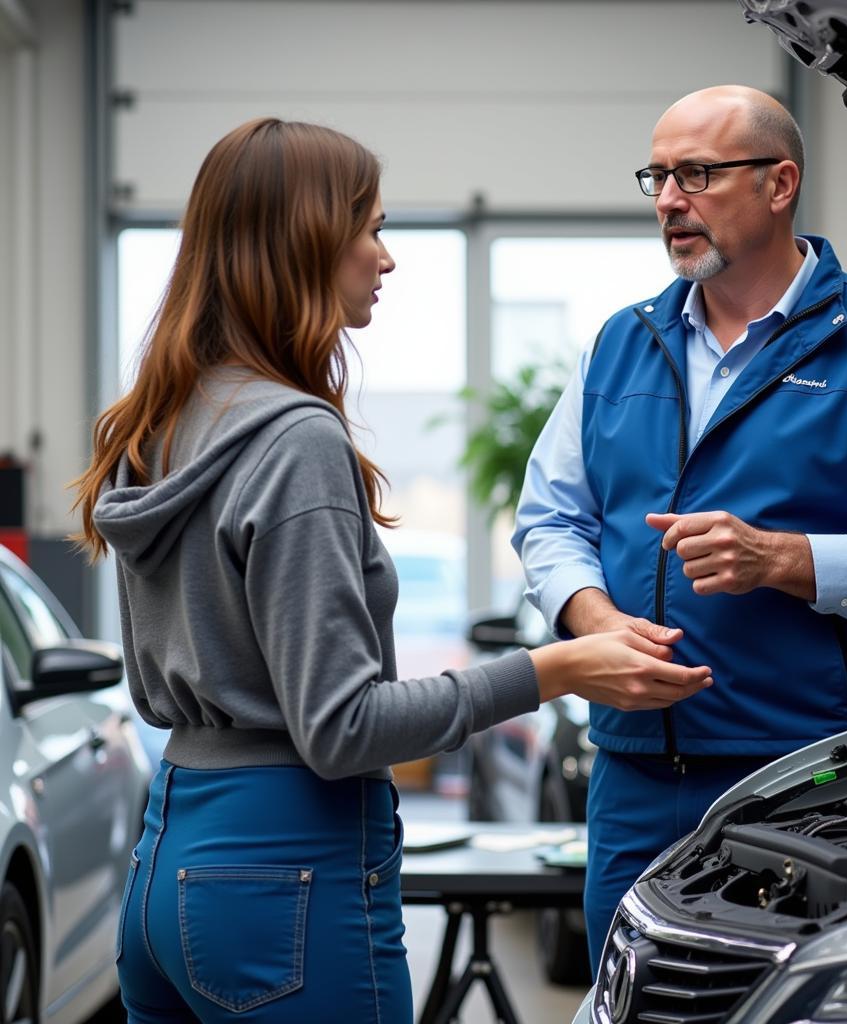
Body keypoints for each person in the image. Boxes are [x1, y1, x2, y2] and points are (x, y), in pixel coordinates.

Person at [72, 117, 713, 1024]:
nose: (386, 257)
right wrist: (556, 668)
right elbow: (340, 726)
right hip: (286, 867)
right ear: (305, 240)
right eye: (370, 228)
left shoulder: (164, 423)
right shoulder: (294, 441)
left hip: (169, 861)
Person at [512, 85, 847, 974]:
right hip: (636, 774)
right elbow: (550, 517)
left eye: (696, 173)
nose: (668, 199)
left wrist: (786, 559)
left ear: (780, 184)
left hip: (819, 784)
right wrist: (589, 616)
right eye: (656, 176)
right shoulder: (622, 343)